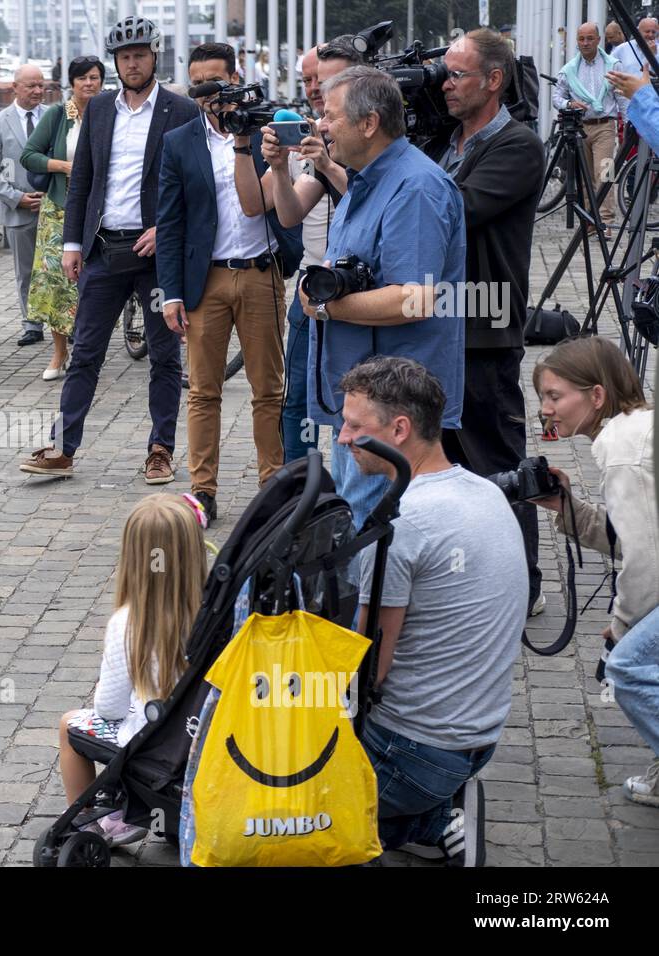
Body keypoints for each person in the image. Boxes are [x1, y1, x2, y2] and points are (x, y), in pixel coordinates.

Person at [340, 356, 527, 864]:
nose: (341, 438)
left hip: (413, 753)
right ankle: (432, 812)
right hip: (477, 738)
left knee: (277, 796)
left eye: (355, 426)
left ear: (398, 430)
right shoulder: (484, 490)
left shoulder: (403, 524)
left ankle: (426, 818)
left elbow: (365, 674)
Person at [19, 16, 198, 481]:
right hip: (102, 249)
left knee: (163, 357)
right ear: (115, 62)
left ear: (155, 56)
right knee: (86, 353)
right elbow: (82, 181)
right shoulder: (98, 109)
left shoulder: (180, 111)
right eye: (124, 56)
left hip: (156, 256)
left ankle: (160, 449)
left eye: (140, 54)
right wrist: (72, 243)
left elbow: (194, 186)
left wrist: (166, 228)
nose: (132, 63)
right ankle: (63, 448)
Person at [299, 66, 466, 531]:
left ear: (369, 123)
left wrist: (326, 305)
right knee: (359, 524)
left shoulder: (415, 187)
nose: (321, 126)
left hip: (391, 412)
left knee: (371, 536)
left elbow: (415, 298)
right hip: (362, 401)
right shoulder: (364, 180)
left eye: (329, 117)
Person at [421, 29, 545, 617]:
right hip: (438, 327)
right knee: (444, 462)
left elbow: (456, 211)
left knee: (496, 462)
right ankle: (463, 577)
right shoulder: (446, 141)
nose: (444, 84)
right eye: (444, 74)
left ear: (493, 81)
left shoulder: (516, 145)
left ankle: (524, 584)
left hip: (485, 327)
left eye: (456, 75)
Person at [157, 42, 285, 522]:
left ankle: (273, 485)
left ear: (236, 79)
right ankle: (203, 490)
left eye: (217, 82)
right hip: (204, 280)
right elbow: (169, 222)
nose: (210, 95)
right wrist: (171, 292)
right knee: (203, 390)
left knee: (268, 389)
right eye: (199, 86)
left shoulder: (266, 129)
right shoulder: (179, 141)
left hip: (260, 274)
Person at [531, 338, 659, 808]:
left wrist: (623, 628)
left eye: (555, 396)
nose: (545, 410)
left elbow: (646, 563)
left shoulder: (623, 448)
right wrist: (571, 511)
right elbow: (637, 539)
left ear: (597, 396)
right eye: (543, 397)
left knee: (627, 669)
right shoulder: (633, 431)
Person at [57, 493, 207, 846]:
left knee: (68, 725)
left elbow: (108, 707)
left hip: (152, 744)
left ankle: (88, 825)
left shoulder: (128, 623)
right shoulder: (215, 616)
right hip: (201, 739)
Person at [257, 37, 361, 465]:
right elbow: (289, 213)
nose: (317, 89)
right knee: (297, 398)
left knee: (355, 402)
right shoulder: (320, 136)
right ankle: (299, 490)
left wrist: (326, 165)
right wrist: (280, 167)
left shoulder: (378, 139)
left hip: (362, 293)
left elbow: (370, 198)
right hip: (312, 285)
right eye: (310, 81)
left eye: (326, 80)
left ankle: (355, 489)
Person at [21, 55, 105, 380]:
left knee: (94, 282)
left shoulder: (109, 114)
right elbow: (29, 155)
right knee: (58, 283)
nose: (89, 83)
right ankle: (59, 353)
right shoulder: (58, 115)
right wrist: (64, 166)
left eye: (95, 77)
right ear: (72, 83)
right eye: (82, 78)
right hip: (59, 210)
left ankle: (89, 348)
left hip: (97, 212)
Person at [0, 65, 47, 346]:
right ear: (15, 88)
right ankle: (32, 323)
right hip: (18, 208)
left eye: (41, 85)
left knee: (60, 268)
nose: (37, 90)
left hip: (52, 206)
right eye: (31, 85)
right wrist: (17, 198)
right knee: (26, 271)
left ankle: (66, 320)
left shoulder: (54, 117)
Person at [552, 23, 623, 230]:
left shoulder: (613, 64)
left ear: (599, 40)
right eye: (581, 38)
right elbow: (557, 96)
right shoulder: (570, 69)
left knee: (606, 173)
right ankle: (590, 219)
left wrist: (627, 124)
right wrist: (569, 104)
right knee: (585, 177)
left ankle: (606, 221)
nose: (585, 43)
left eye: (590, 38)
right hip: (580, 128)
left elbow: (622, 97)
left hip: (606, 126)